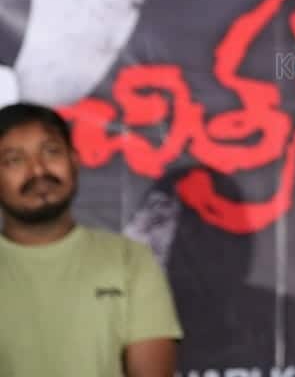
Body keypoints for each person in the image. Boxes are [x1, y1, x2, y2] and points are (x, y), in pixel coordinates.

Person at [0, 102, 182, 377]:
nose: (37, 170)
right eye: (14, 160)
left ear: (74, 160)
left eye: (51, 152)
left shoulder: (130, 260)